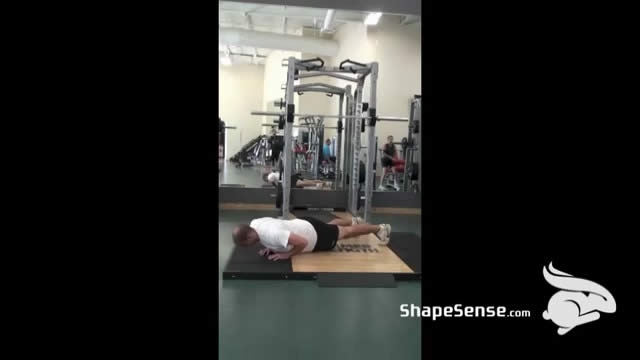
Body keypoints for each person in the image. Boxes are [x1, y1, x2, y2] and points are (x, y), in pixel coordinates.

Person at [232, 216, 392, 261]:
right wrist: (270, 246)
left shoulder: (274, 234)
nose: (248, 247)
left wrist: (287, 254)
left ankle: (380, 228)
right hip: (302, 223)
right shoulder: (255, 224)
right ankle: (354, 220)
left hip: (314, 235)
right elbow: (274, 226)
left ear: (249, 236)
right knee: (334, 226)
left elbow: (303, 243)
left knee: (346, 233)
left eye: (246, 244)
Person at [263, 171, 331, 189]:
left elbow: (274, 184)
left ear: (266, 178)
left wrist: (276, 187)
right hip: (291, 176)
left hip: (290, 179)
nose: (267, 181)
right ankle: (326, 183)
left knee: (305, 183)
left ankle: (317, 184)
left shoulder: (269, 177)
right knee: (309, 181)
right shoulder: (273, 173)